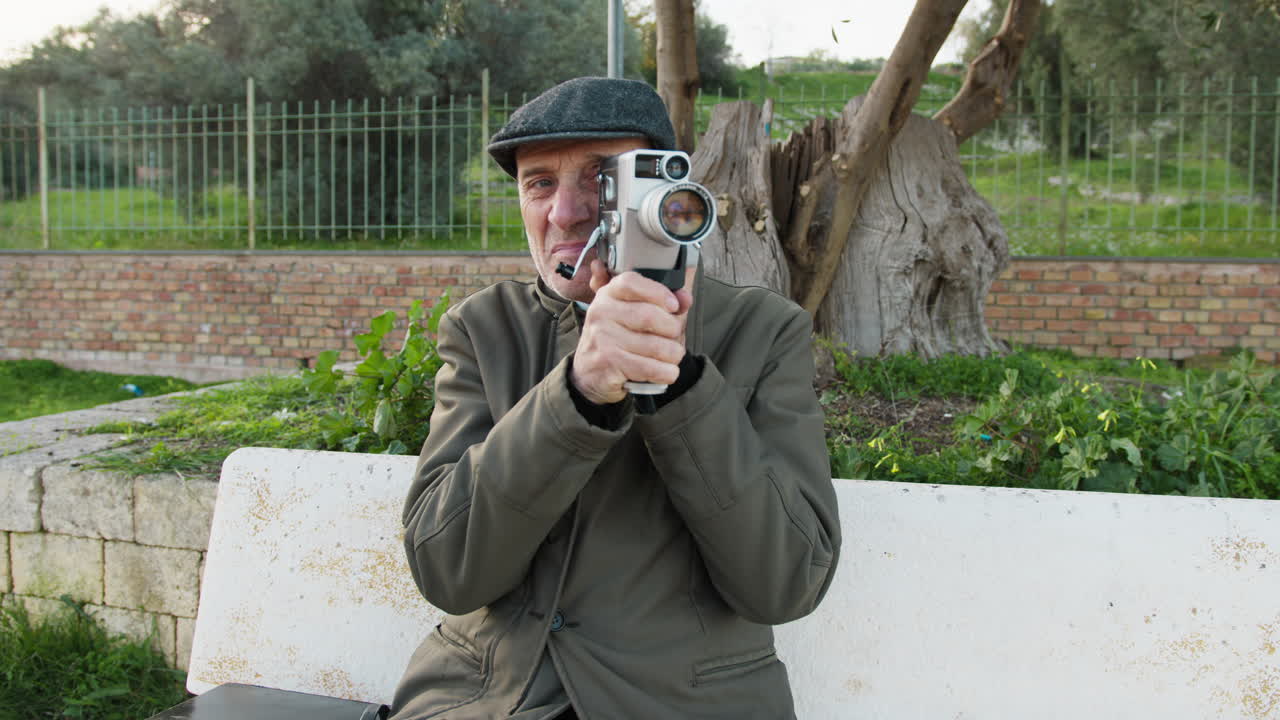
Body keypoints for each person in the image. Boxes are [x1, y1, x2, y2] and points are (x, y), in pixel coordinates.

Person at [389, 76, 841, 720]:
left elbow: (787, 582)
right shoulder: (483, 330)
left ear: (667, 193)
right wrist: (576, 393)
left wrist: (675, 382)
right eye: (539, 182)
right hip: (489, 701)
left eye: (602, 180)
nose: (564, 213)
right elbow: (447, 570)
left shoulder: (763, 332)